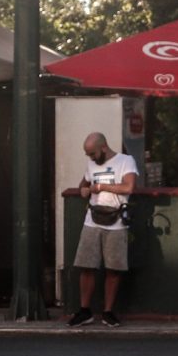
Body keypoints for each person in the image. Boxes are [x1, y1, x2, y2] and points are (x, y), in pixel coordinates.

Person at [66, 131, 138, 328]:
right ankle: (84, 310)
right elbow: (84, 184)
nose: (90, 158)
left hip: (116, 221)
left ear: (103, 148)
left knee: (113, 269)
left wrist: (103, 187)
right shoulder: (91, 164)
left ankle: (108, 311)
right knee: (86, 266)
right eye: (88, 154)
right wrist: (83, 189)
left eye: (92, 153)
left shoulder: (126, 161)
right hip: (92, 219)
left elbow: (129, 187)